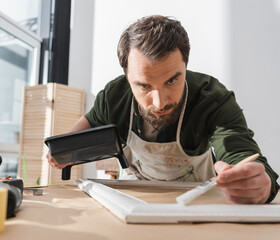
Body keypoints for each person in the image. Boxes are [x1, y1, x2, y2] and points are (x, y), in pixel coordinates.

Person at [47, 15, 279, 204]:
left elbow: (240, 152)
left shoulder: (213, 99)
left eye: (171, 81)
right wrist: (65, 151)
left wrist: (260, 182)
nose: (159, 103)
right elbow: (88, 125)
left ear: (185, 67)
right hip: (133, 197)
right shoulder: (113, 95)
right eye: (144, 86)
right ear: (127, 78)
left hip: (197, 199)